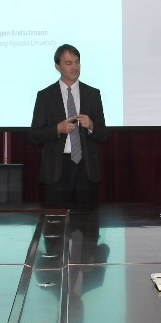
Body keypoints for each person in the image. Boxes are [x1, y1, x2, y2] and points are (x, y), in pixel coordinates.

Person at [29, 44, 109, 209]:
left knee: (86, 222)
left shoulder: (93, 94)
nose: (74, 67)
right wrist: (57, 129)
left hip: (86, 169)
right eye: (68, 63)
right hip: (57, 169)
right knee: (56, 222)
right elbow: (34, 135)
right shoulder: (45, 96)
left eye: (77, 62)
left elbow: (103, 134)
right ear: (57, 66)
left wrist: (91, 125)